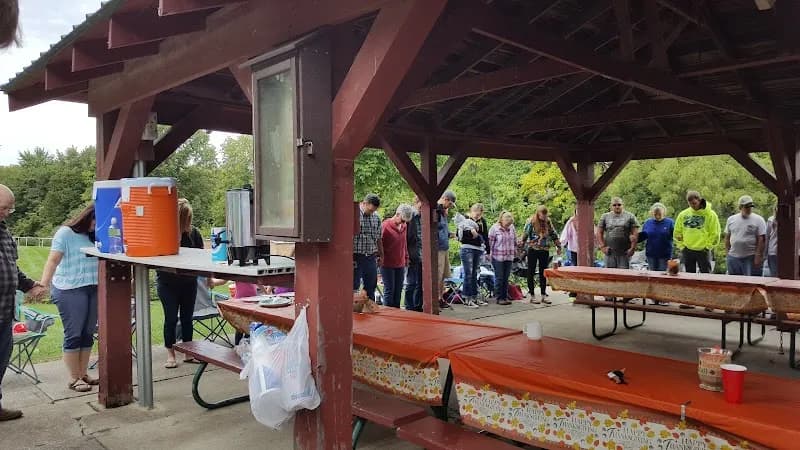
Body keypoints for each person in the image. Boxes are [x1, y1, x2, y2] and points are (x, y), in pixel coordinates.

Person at [40, 205, 99, 393]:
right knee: (74, 334)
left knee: (88, 333)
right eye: (96, 221)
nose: (97, 226)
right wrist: (44, 284)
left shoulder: (97, 236)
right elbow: (53, 260)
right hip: (69, 288)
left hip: (93, 288)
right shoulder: (65, 233)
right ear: (87, 217)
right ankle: (74, 378)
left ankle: (83, 373)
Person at [0, 184, 46, 421]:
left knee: (1, 361)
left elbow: (12, 267)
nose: (8, 213)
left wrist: (30, 285)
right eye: (4, 208)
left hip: (4, 312)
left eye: (10, 208)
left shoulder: (5, 232)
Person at [156, 198, 204, 369]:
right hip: (167, 283)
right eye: (185, 218)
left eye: (189, 218)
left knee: (187, 318)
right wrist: (175, 236)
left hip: (189, 282)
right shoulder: (164, 233)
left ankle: (188, 352)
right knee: (170, 318)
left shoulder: (194, 233)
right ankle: (171, 354)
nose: (188, 222)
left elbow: (201, 256)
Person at [674, 190, 720, 274]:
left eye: (694, 203)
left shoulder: (710, 214)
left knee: (706, 274)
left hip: (703, 250)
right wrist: (682, 247)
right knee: (689, 275)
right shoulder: (683, 214)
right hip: (687, 249)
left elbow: (715, 232)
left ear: (699, 200)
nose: (693, 206)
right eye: (690, 204)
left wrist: (708, 247)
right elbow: (677, 232)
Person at [522, 206, 561, 304]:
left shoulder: (547, 221)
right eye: (542, 215)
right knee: (530, 271)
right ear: (538, 214)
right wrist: (521, 245)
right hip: (533, 249)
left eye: (545, 215)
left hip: (544, 249)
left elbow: (553, 233)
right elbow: (525, 234)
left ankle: (543, 295)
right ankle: (532, 295)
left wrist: (558, 245)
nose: (544, 217)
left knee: (543, 272)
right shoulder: (531, 221)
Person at [456, 205, 489, 308]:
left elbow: (485, 236)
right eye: (475, 212)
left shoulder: (482, 222)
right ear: (471, 211)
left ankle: (475, 297)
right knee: (468, 274)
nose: (477, 215)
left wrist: (488, 250)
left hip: (478, 249)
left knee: (476, 273)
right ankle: (467, 298)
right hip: (467, 248)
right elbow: (460, 235)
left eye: (479, 213)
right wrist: (471, 231)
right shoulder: (464, 219)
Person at [380, 205, 413, 308]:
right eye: (402, 220)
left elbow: (404, 243)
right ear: (397, 214)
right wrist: (380, 257)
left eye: (405, 221)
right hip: (387, 263)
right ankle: (388, 312)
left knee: (398, 290)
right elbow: (379, 243)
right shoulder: (385, 226)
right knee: (389, 290)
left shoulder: (404, 226)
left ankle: (397, 311)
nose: (403, 223)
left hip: (400, 263)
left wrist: (406, 257)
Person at [725, 195, 766, 276]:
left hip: (750, 257)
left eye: (751, 206)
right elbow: (727, 237)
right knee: (734, 280)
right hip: (733, 256)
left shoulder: (759, 219)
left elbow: (761, 239)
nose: (749, 209)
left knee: (752, 281)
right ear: (740, 207)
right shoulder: (731, 219)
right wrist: (727, 253)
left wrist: (758, 255)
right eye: (746, 207)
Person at [596, 197, 639, 270]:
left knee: (624, 274)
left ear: (623, 205)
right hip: (609, 252)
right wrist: (602, 247)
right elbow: (599, 232)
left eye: (619, 204)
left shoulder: (630, 216)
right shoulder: (605, 216)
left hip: (625, 252)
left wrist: (632, 248)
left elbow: (635, 233)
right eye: (614, 205)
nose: (617, 207)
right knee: (609, 274)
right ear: (611, 206)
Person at [353, 194, 382, 302]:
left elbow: (379, 238)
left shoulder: (376, 217)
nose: (371, 213)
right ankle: (353, 308)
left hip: (370, 256)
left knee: (371, 284)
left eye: (373, 211)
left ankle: (369, 306)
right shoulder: (354, 215)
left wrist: (381, 255)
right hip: (356, 255)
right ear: (364, 203)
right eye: (370, 210)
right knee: (354, 285)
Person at [435, 191, 457, 312]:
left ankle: (440, 298)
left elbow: (443, 229)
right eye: (450, 204)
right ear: (446, 199)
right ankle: (435, 300)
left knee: (443, 275)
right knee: (437, 275)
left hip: (444, 247)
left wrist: (452, 234)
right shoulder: (437, 210)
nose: (449, 207)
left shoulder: (443, 213)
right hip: (437, 248)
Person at [488, 211, 516, 306]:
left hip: (509, 256)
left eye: (510, 223)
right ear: (502, 220)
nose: (508, 225)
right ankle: (499, 297)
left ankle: (505, 296)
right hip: (497, 257)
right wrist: (488, 255)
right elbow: (490, 243)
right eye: (507, 222)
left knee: (506, 278)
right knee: (499, 277)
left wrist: (517, 249)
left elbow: (514, 240)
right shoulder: (494, 228)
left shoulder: (512, 228)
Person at [640, 203, 675, 272]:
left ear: (664, 212)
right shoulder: (647, 222)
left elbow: (675, 236)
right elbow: (643, 236)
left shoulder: (670, 222)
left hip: (665, 255)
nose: (657, 215)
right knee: (652, 273)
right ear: (652, 213)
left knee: (662, 274)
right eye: (655, 214)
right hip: (650, 254)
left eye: (659, 214)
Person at [404, 196, 423, 312]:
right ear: (416, 202)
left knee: (420, 283)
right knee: (411, 282)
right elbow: (406, 238)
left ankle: (418, 306)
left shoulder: (423, 216)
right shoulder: (410, 216)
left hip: (422, 253)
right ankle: (409, 306)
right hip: (412, 253)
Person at [765, 209, 778, 277]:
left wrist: (765, 254)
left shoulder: (770, 219)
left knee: (774, 275)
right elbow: (767, 238)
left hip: (773, 251)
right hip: (774, 252)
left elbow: (767, 237)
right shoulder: (771, 220)